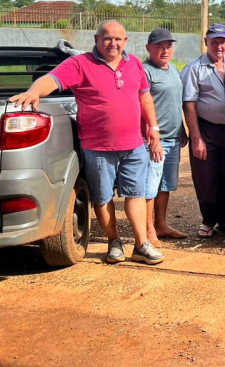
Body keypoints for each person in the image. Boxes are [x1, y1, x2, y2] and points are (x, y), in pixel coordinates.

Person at [10, 20, 164, 265]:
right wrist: (34, 92)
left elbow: (144, 96)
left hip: (134, 144)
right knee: (103, 198)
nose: (112, 43)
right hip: (97, 147)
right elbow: (52, 79)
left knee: (136, 194)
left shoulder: (133, 63)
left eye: (117, 39)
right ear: (96, 39)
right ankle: (114, 242)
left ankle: (141, 244)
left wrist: (153, 128)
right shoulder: (79, 64)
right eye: (107, 38)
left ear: (125, 41)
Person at [181, 23, 225, 239]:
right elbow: (189, 105)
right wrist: (196, 138)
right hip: (206, 129)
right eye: (214, 41)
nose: (219, 46)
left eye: (222, 41)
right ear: (206, 42)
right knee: (205, 176)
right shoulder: (194, 68)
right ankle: (208, 220)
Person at [142, 28, 188, 246]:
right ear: (148, 48)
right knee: (150, 187)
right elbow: (141, 106)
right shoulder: (145, 71)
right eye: (159, 46)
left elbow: (175, 103)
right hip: (154, 141)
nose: (165, 50)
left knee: (165, 185)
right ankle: (148, 230)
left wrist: (182, 130)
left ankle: (161, 225)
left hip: (173, 138)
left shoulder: (172, 70)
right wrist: (153, 137)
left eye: (168, 46)